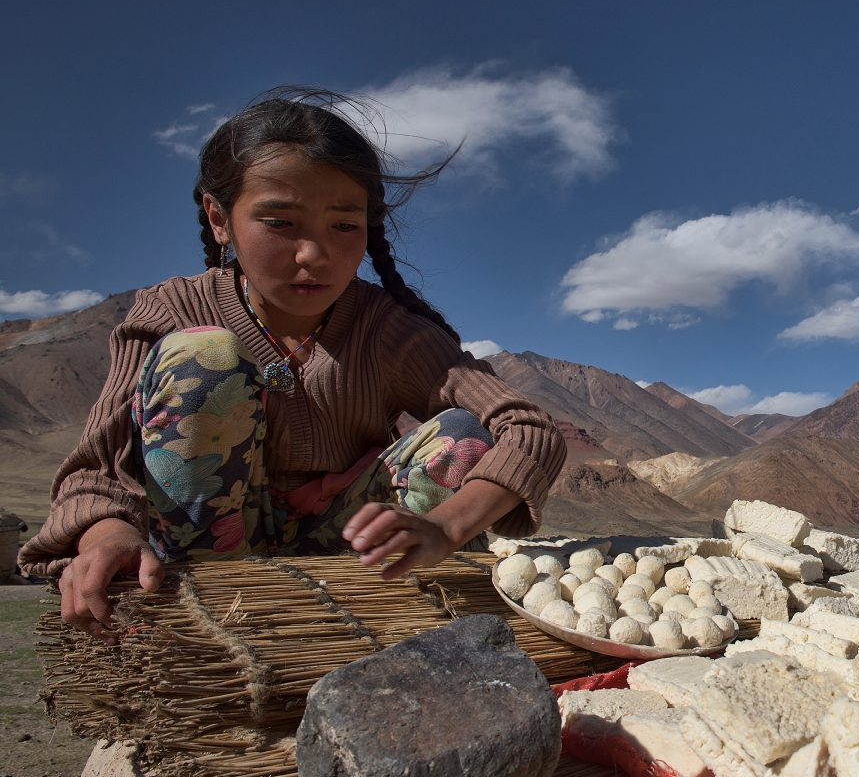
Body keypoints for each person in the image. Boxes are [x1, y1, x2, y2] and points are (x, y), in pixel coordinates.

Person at [20, 89, 566, 640]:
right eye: (280, 223)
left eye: (344, 225)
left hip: (349, 561)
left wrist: (442, 528)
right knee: (202, 355)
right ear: (218, 218)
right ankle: (211, 612)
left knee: (462, 432)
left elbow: (527, 428)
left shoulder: (385, 329)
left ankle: (371, 621)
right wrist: (107, 534)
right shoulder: (173, 309)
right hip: (203, 557)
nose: (315, 254)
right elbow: (98, 464)